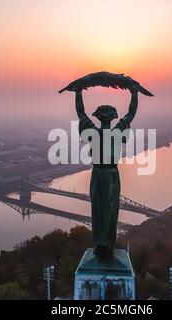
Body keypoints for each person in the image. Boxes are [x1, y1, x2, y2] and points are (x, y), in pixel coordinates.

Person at [74, 88, 138, 260]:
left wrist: (78, 92)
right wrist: (134, 93)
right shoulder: (117, 133)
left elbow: (80, 113)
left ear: (98, 117)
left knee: (98, 208)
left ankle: (100, 243)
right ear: (112, 118)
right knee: (110, 208)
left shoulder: (93, 133)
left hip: (98, 174)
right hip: (111, 175)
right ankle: (107, 243)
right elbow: (131, 113)